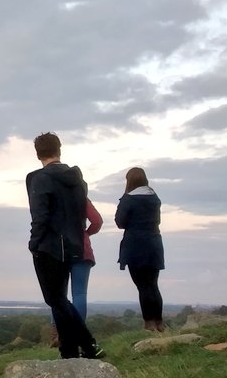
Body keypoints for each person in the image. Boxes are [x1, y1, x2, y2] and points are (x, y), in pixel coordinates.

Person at [26, 132, 105, 360]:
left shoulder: (39, 179)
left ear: (38, 153)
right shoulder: (78, 180)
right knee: (61, 299)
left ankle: (89, 344)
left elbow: (40, 215)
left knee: (56, 299)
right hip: (73, 245)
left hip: (48, 246)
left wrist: (33, 242)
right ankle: (68, 351)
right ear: (59, 149)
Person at [115, 167, 166, 331]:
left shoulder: (129, 199)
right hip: (154, 243)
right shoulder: (155, 198)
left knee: (142, 286)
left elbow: (120, 222)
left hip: (135, 244)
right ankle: (159, 321)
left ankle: (149, 322)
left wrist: (124, 196)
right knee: (153, 284)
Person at [49, 198, 103, 345]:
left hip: (58, 249)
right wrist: (86, 234)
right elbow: (97, 221)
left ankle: (57, 335)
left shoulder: (52, 197)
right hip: (81, 248)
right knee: (79, 294)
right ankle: (78, 334)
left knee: (58, 295)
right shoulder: (81, 198)